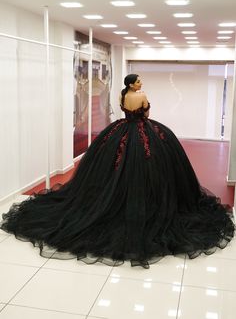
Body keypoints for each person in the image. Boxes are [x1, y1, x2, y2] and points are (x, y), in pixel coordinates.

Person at [1, 74, 235, 269]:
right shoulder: (141, 97)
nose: (141, 83)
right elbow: (145, 115)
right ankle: (142, 205)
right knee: (149, 166)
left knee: (113, 167)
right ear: (133, 84)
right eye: (138, 80)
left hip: (121, 132)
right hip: (143, 131)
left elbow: (127, 113)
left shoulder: (124, 96)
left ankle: (113, 203)